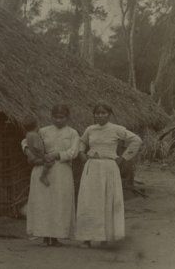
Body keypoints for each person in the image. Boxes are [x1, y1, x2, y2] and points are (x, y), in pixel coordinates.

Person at [75, 101, 142, 247]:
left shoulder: (116, 129)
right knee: (89, 201)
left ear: (109, 114)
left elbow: (136, 140)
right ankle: (87, 238)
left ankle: (104, 236)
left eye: (103, 113)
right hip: (92, 167)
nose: (100, 115)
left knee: (106, 200)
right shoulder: (90, 129)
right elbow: (81, 142)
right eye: (97, 113)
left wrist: (123, 157)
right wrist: (81, 153)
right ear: (94, 115)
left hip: (109, 168)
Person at [22, 105, 80, 247]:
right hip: (43, 168)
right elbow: (26, 140)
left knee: (59, 201)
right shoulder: (43, 131)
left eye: (62, 117)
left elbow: (74, 152)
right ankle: (44, 235)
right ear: (51, 117)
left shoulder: (72, 133)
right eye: (55, 117)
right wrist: (28, 151)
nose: (58, 120)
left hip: (62, 170)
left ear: (68, 118)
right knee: (43, 202)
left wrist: (58, 154)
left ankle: (56, 236)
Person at [22, 116, 51, 187]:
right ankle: (43, 176)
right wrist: (43, 156)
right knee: (49, 162)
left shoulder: (28, 135)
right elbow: (37, 147)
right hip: (37, 157)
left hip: (32, 158)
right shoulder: (35, 135)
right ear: (36, 126)